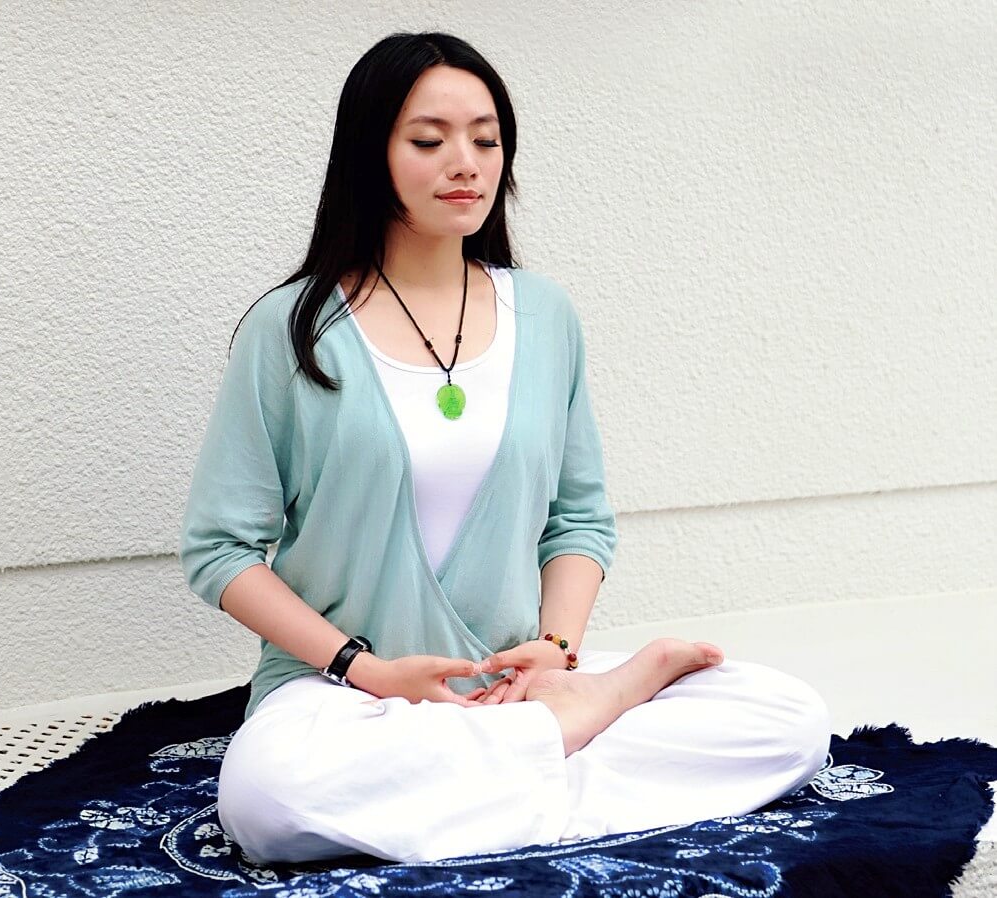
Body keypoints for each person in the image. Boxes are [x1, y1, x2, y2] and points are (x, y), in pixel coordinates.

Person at [179, 31, 830, 866]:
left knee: (787, 719)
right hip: (343, 693)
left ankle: (517, 753)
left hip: (516, 681)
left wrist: (554, 655)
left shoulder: (544, 315)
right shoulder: (292, 329)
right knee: (269, 799)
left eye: (485, 141)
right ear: (369, 155)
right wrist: (367, 670)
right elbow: (220, 551)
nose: (466, 164)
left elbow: (578, 519)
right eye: (429, 141)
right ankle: (574, 734)